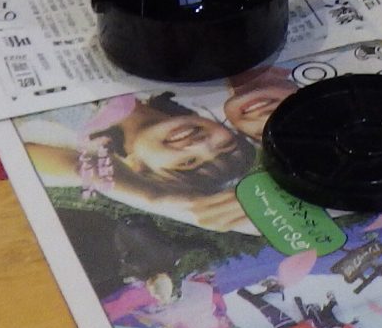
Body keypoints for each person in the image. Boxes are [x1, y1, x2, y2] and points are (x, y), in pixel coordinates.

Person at [28, 92, 260, 234]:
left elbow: (25, 165)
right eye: (225, 146)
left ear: (137, 167)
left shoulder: (69, 136)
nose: (200, 145)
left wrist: (153, 197)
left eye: (189, 162)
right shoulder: (163, 77)